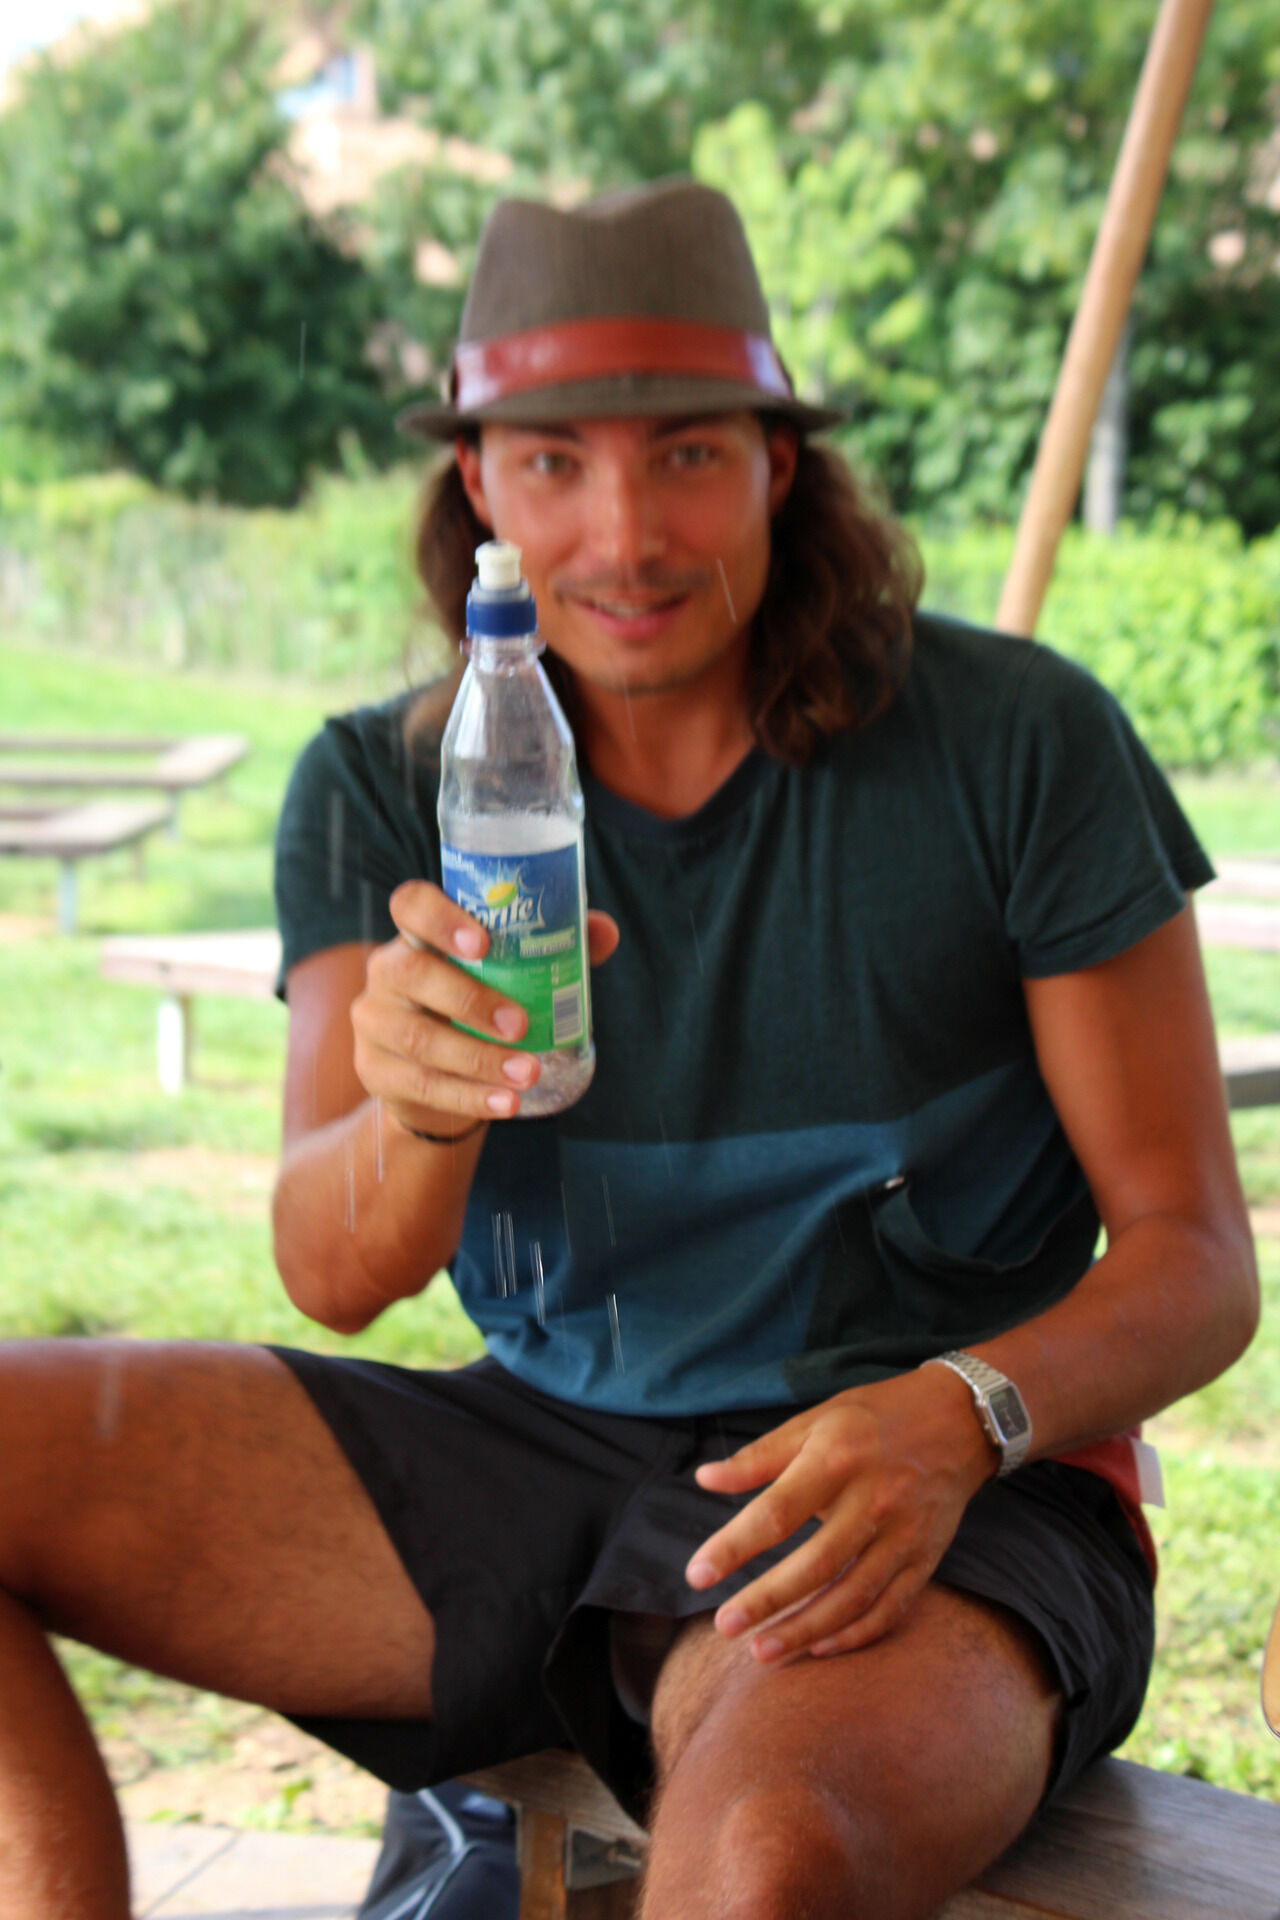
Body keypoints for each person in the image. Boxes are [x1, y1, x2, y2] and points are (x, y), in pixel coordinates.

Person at [0, 178, 1259, 1920]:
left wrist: (964, 1417)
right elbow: (336, 1272)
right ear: (478, 483)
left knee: (761, 1859)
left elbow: (1199, 1261)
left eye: (686, 455)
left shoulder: (1019, 744)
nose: (625, 534)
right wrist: (416, 1111)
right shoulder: (379, 783)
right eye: (553, 461)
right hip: (541, 1449)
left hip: (931, 1477)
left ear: (778, 464)